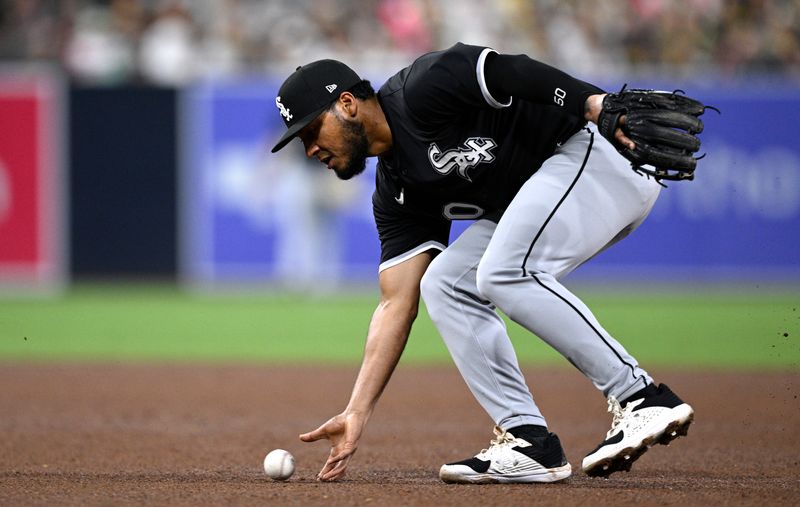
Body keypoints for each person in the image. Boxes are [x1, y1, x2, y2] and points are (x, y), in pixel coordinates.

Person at [270, 43, 694, 483]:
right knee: (445, 284)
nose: (309, 150)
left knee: (502, 272)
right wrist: (356, 410)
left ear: (347, 104)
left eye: (310, 131)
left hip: (599, 153)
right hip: (557, 186)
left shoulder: (422, 87)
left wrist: (592, 103)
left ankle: (642, 398)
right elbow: (396, 303)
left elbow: (511, 71)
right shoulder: (397, 189)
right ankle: (528, 440)